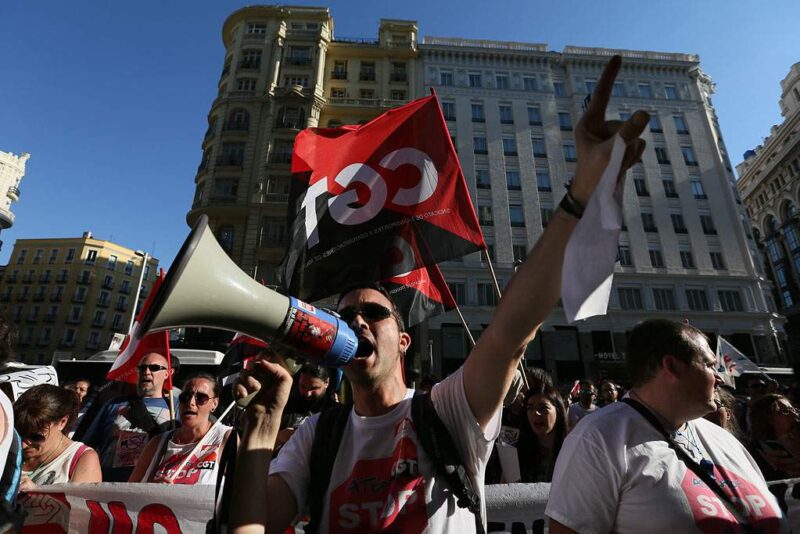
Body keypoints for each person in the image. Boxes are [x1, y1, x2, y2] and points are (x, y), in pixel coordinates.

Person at [229, 55, 651, 533]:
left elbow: (511, 330)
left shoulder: (447, 410)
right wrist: (261, 431)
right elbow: (251, 525)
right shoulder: (318, 435)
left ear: (404, 339)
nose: (358, 321)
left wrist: (583, 189)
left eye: (373, 312)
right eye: (346, 315)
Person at [546, 319, 787, 533]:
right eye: (709, 365)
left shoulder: (725, 441)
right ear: (671, 366)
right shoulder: (598, 438)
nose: (720, 377)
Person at [81, 352, 176, 481]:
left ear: (167, 374)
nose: (147, 372)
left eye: (154, 368)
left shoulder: (175, 408)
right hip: (106, 483)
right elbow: (87, 445)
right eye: (142, 368)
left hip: (148, 484)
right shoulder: (113, 404)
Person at [130, 373, 231, 484]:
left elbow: (242, 489)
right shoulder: (157, 442)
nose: (191, 402)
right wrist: (154, 490)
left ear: (214, 404)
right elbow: (130, 491)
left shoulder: (225, 437)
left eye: (201, 398)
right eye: (185, 397)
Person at [14, 384, 101, 489]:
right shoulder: (10, 446)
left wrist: (37, 492)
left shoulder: (82, 459)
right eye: (18, 434)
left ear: (62, 422)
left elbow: (81, 504)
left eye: (36, 437)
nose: (23, 445)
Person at [277, 364, 337, 449]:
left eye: (314, 388)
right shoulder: (285, 405)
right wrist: (280, 437)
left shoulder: (335, 412)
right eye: (303, 386)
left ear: (326, 383)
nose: (307, 393)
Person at [517, 384, 567, 482]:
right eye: (530, 408)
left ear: (558, 411)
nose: (535, 413)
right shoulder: (518, 452)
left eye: (543, 408)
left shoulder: (571, 448)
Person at [748, 393, 800, 480]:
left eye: (794, 410)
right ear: (768, 419)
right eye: (785, 411)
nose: (794, 415)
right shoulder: (754, 455)